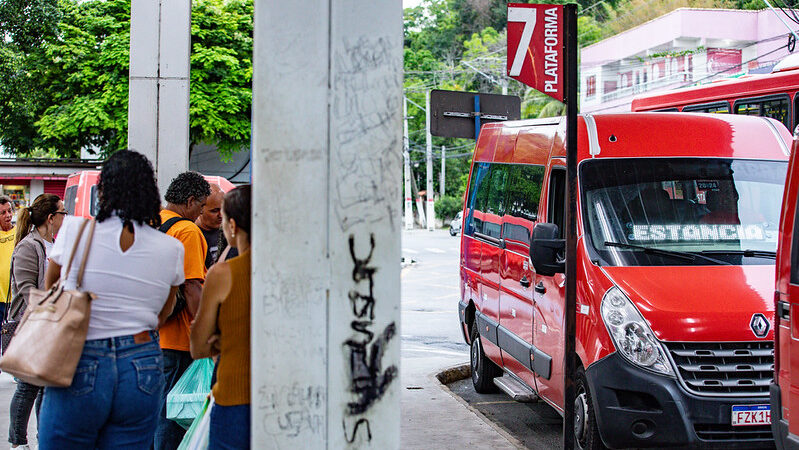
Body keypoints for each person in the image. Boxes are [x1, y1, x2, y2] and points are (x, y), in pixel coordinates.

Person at [37, 150, 185, 449]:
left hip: (81, 356)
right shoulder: (171, 248)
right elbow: (163, 312)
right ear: (149, 192)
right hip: (142, 361)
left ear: (102, 190)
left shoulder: (76, 231)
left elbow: (50, 288)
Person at [191, 185, 251, 450]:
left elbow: (198, 346)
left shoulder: (223, 274)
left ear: (233, 226)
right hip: (286, 399)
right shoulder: (296, 272)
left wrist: (222, 340)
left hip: (234, 397)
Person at [155, 171, 210, 450]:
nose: (202, 213)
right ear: (190, 202)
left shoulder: (153, 223)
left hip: (152, 334)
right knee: (172, 415)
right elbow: (192, 287)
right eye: (201, 207)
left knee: (154, 413)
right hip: (177, 341)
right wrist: (203, 333)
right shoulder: (187, 230)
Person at [7, 193, 65, 449]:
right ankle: (18, 442)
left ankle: (46, 439)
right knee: (28, 387)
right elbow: (26, 289)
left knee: (45, 388)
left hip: (52, 323)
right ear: (51, 218)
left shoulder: (56, 244)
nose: (66, 217)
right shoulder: (28, 247)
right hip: (30, 323)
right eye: (62, 212)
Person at [196, 184, 224, 269]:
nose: (221, 215)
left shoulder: (229, 232)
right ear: (200, 209)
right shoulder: (192, 234)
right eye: (215, 211)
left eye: (223, 209)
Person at [0, 196, 16, 317]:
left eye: (9, 211)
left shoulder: (20, 233)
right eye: (3, 213)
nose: (8, 215)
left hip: (15, 296)